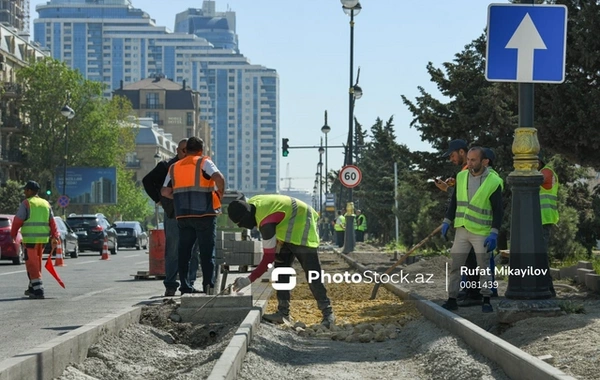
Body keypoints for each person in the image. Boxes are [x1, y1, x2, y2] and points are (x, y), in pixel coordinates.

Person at [227, 195, 335, 327]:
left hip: (303, 222)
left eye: (242, 224)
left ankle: (328, 314)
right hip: (287, 226)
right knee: (281, 269)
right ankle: (283, 313)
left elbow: (267, 259)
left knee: (312, 272)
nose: (245, 227)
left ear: (246, 218)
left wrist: (248, 279)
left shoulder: (265, 222)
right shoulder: (251, 205)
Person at [441, 147, 503, 313]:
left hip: (481, 232)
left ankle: (486, 299)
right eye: (468, 159)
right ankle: (452, 299)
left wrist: (493, 233)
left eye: (473, 160)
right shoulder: (461, 176)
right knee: (456, 265)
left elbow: (498, 210)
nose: (469, 163)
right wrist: (447, 221)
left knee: (483, 267)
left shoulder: (493, 181)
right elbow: (454, 202)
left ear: (484, 161)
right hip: (462, 229)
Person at [161, 136, 225, 295]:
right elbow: (219, 178)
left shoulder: (174, 167)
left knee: (184, 252)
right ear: (201, 150)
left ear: (186, 150)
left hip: (183, 216)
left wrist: (178, 198)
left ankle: (184, 287)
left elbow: (165, 191)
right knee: (206, 253)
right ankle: (208, 287)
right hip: (204, 215)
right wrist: (219, 195)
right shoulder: (204, 162)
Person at [142, 138, 200, 297]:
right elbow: (147, 181)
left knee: (194, 250)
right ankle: (171, 286)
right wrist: (159, 200)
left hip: (194, 214)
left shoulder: (197, 166)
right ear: (177, 151)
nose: (186, 153)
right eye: (183, 150)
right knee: (174, 250)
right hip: (174, 214)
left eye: (189, 150)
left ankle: (188, 285)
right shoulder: (166, 166)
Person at [437, 139, 482, 306]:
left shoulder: (471, 171)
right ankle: (470, 291)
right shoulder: (464, 172)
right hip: (465, 222)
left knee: (471, 259)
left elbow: (464, 197)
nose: (451, 159)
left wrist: (448, 219)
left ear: (462, 152)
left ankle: (474, 293)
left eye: (452, 155)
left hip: (473, 222)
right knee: (468, 259)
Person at [11, 181, 60, 299]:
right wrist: (55, 236)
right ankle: (32, 288)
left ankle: (38, 290)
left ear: (29, 191)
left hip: (30, 239)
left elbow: (17, 220)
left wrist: (13, 235)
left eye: (25, 190)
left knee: (31, 264)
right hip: (42, 240)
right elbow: (52, 222)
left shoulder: (27, 203)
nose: (24, 192)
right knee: (36, 263)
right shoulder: (46, 203)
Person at [539, 156, 558, 297]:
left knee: (541, 256)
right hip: (540, 219)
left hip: (544, 219)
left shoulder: (546, 172)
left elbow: (539, 181)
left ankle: (548, 289)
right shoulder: (544, 172)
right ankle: (546, 288)